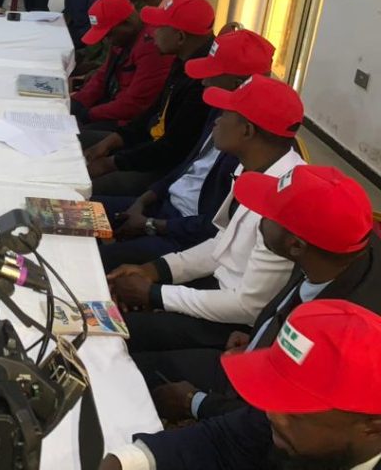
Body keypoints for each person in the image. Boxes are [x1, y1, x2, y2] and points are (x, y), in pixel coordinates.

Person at [148, 166, 380, 424]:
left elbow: (276, 426)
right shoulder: (331, 253)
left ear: (296, 245)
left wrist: (195, 402)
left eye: (268, 214)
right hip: (255, 358)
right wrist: (265, 336)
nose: (258, 219)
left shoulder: (347, 337)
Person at [107, 75, 306, 365]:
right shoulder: (253, 169)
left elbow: (248, 306)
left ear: (247, 130)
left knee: (111, 337)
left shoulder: (286, 201)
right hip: (214, 294)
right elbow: (221, 243)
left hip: (233, 325)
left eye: (226, 115)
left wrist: (156, 294)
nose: (216, 121)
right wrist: (154, 270)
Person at [99, 300, 381, 470]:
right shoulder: (282, 423)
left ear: (372, 427)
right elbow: (219, 440)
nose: (271, 413)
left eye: (295, 413)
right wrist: (127, 461)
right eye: (275, 394)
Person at [98, 30, 277, 270]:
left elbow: (213, 227)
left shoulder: (250, 146)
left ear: (237, 85)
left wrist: (151, 224)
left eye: (211, 75)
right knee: (74, 210)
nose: (203, 82)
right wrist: (144, 200)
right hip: (163, 207)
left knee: (94, 261)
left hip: (182, 236)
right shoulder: (219, 109)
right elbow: (188, 165)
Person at [84, 0, 217, 196]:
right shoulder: (183, 58)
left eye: (159, 27)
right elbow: (153, 113)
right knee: (76, 142)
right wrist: (111, 141)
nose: (152, 33)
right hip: (149, 146)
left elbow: (172, 149)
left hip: (164, 168)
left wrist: (111, 163)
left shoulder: (203, 82)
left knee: (85, 188)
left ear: (180, 37)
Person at [70, 0, 174, 128]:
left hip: (131, 123)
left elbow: (135, 104)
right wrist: (78, 102)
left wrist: (88, 114)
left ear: (128, 23)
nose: (108, 41)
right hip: (113, 108)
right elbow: (102, 76)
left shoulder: (152, 46)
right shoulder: (123, 39)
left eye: (109, 35)